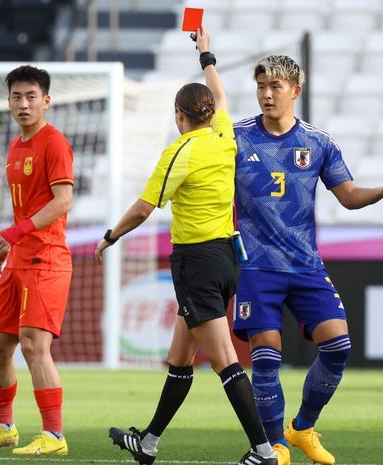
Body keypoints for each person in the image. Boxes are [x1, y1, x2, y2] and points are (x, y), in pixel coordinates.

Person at [95, 27, 277, 465]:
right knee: (180, 356)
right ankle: (149, 442)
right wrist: (206, 54)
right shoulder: (225, 135)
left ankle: (264, 451)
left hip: (196, 262)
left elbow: (142, 208)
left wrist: (109, 236)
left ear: (179, 115)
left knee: (227, 363)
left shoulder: (181, 150)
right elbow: (221, 95)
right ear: (211, 113)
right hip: (226, 258)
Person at [231, 54, 383, 465]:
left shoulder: (318, 142)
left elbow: (349, 196)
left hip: (305, 264)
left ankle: (300, 429)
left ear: (295, 91)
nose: (266, 94)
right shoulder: (237, 138)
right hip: (257, 265)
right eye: (261, 86)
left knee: (338, 345)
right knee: (266, 352)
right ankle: (275, 447)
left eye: (275, 87)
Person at [0, 65, 73, 457]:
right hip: (19, 258)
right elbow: (26, 210)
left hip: (47, 259)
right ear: (8, 100)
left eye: (31, 96)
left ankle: (54, 435)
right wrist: (8, 246)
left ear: (46, 100)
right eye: (17, 96)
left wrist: (15, 234)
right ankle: (3, 427)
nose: (24, 104)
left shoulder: (54, 143)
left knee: (33, 346)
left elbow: (62, 201)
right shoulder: (15, 147)